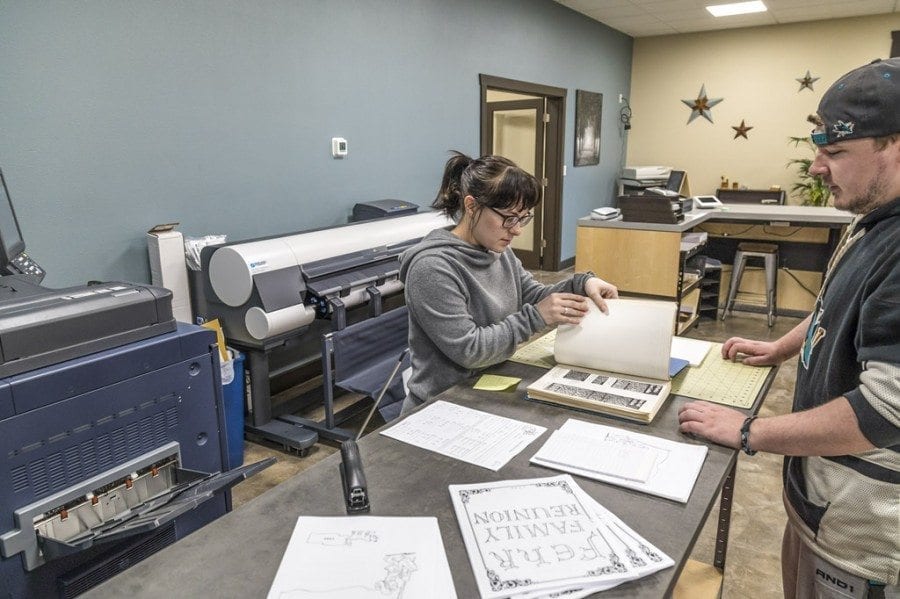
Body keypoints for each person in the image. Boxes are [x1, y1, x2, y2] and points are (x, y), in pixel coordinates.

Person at [678, 58, 899, 598]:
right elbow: (832, 310)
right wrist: (780, 347)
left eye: (836, 152)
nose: (819, 168)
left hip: (864, 524)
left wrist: (750, 431)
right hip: (822, 498)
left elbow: (884, 412)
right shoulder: (871, 224)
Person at [399, 151, 618, 411]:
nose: (517, 229)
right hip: (441, 406)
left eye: (523, 217)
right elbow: (470, 350)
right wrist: (535, 317)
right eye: (509, 218)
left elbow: (533, 295)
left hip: (488, 391)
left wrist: (581, 284)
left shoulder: (497, 249)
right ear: (471, 206)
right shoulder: (432, 268)